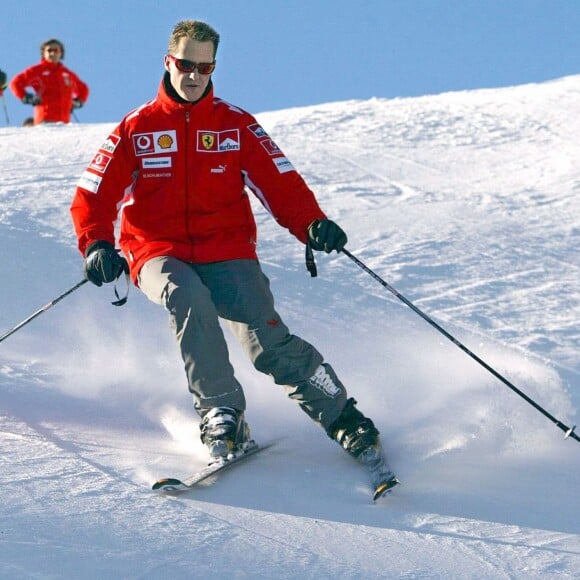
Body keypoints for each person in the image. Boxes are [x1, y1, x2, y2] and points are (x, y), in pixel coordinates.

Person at [70, 20, 397, 493]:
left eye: (205, 67)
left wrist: (311, 223)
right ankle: (222, 412)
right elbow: (92, 194)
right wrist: (98, 244)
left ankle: (344, 417)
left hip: (227, 251)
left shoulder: (235, 125)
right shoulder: (137, 128)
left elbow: (281, 184)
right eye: (186, 64)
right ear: (169, 62)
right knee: (187, 299)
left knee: (266, 343)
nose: (194, 75)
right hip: (156, 250)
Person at [10, 39, 89, 125]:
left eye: (56, 50)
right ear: (43, 53)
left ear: (61, 53)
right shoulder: (37, 71)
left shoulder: (67, 74)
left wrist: (78, 102)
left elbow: (83, 88)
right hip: (45, 120)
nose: (52, 53)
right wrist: (26, 97)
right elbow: (16, 83)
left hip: (64, 123)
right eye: (49, 50)